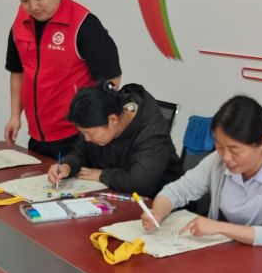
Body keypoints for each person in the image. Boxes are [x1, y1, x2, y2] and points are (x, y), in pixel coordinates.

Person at [143, 95, 262, 262]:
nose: (226, 157)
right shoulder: (218, 161)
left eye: (235, 150)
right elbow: (177, 191)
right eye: (219, 146)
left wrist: (218, 227)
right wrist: (158, 212)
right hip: (235, 256)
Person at [4, 0, 122, 159]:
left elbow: (111, 78)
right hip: (38, 136)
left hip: (77, 138)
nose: (33, 7)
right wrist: (15, 115)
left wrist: (93, 124)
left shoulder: (83, 24)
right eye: (24, 0)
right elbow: (17, 71)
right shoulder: (20, 24)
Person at [47, 83, 182, 197]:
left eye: (89, 133)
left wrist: (102, 175)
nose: (87, 139)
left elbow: (140, 184)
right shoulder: (98, 119)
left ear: (112, 120)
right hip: (113, 193)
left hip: (158, 204)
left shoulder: (152, 134)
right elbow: (79, 153)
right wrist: (67, 166)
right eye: (83, 133)